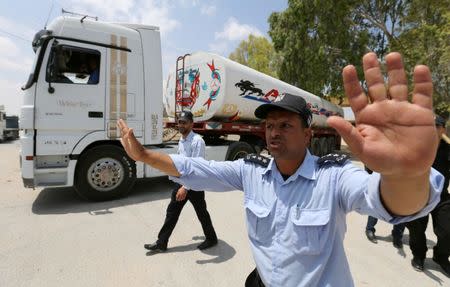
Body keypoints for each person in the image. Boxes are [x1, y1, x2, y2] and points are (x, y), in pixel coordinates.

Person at [118, 52, 444, 287]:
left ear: (308, 133)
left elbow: (390, 203)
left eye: (285, 125)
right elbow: (196, 167)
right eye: (270, 125)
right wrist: (144, 155)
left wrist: (406, 175)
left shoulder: (334, 176)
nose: (273, 132)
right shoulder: (251, 170)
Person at [144, 111, 218, 252]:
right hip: (181, 183)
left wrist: (185, 187)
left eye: (184, 122)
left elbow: (197, 168)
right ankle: (161, 243)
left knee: (201, 213)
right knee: (172, 212)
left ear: (192, 123)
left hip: (194, 185)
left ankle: (212, 238)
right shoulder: (182, 139)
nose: (181, 125)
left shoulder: (197, 141)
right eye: (179, 122)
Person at [406, 115, 450, 275]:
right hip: (420, 196)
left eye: (438, 127)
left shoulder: (448, 147)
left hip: (441, 197)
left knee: (447, 231)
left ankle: (441, 256)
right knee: (417, 230)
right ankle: (418, 256)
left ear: (443, 129)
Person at [364, 168, 406, 248]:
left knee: (401, 210)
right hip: (382, 179)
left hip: (401, 181)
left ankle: (397, 235)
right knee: (377, 206)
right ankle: (369, 229)